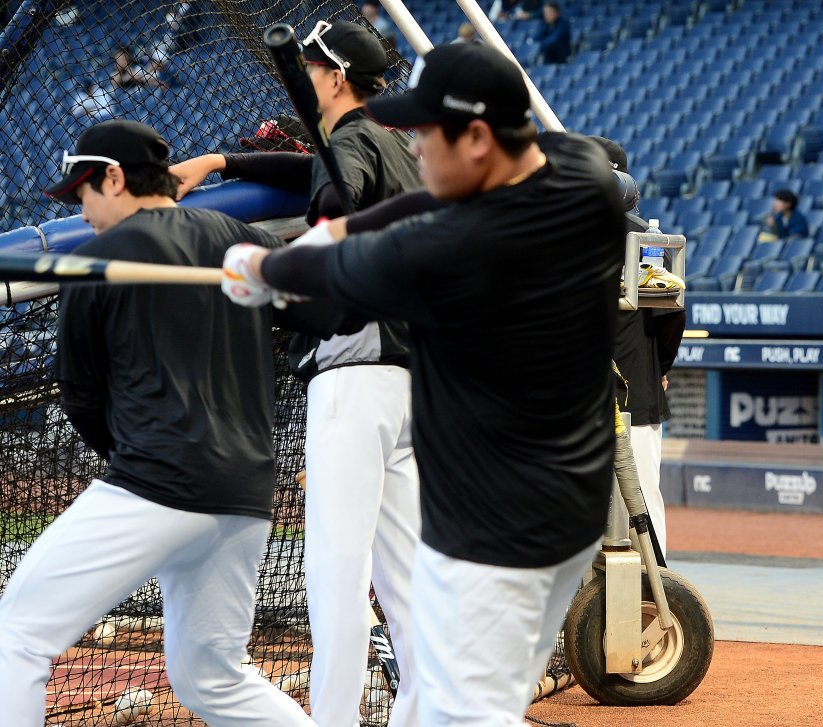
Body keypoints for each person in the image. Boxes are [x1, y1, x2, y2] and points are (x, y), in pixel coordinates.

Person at [219, 43, 625, 726]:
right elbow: (418, 203)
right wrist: (336, 232)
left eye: (428, 132)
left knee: (465, 711)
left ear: (478, 138)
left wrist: (258, 267)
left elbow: (313, 277)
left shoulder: (454, 249)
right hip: (567, 508)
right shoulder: (583, 175)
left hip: (493, 528)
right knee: (441, 690)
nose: (413, 147)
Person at [0, 120, 319, 725]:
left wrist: (133, 460)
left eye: (84, 193)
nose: (83, 212)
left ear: (114, 179)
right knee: (213, 678)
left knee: (15, 637)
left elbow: (81, 397)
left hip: (156, 482)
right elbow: (323, 313)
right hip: (245, 493)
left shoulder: (92, 261)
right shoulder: (244, 241)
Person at [172, 19, 424, 725]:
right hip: (411, 384)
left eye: (312, 67)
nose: (306, 76)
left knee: (336, 575)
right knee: (407, 584)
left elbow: (335, 206)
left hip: (356, 376)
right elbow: (320, 171)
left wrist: (273, 270)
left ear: (335, 77)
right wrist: (220, 161)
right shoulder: (390, 145)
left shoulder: (351, 146)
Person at [594, 136, 685, 557]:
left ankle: (653, 585)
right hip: (632, 383)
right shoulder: (646, 237)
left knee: (638, 496)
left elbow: (670, 312)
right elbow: (672, 317)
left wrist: (656, 368)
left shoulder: (643, 238)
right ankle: (649, 584)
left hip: (626, 388)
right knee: (639, 498)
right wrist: (658, 367)